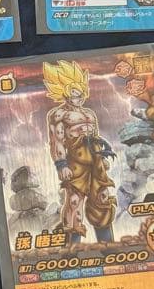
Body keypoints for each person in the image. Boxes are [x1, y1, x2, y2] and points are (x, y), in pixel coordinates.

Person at [44, 60, 116, 243]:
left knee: (102, 197)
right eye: (75, 93)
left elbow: (96, 137)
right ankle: (72, 246)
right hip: (75, 162)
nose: (80, 97)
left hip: (95, 160)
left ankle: (107, 243)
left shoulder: (89, 113)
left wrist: (102, 157)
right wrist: (61, 164)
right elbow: (57, 141)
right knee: (74, 200)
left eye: (81, 92)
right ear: (66, 93)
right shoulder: (58, 114)